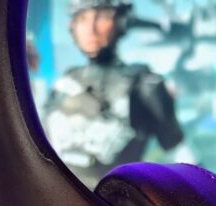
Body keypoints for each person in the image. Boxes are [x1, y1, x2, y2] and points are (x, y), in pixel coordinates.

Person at [43, 0, 184, 189]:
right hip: (53, 198)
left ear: (121, 21)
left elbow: (181, 154)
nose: (91, 29)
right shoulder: (64, 84)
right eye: (82, 18)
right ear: (72, 26)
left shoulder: (145, 86)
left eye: (102, 16)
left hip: (113, 204)